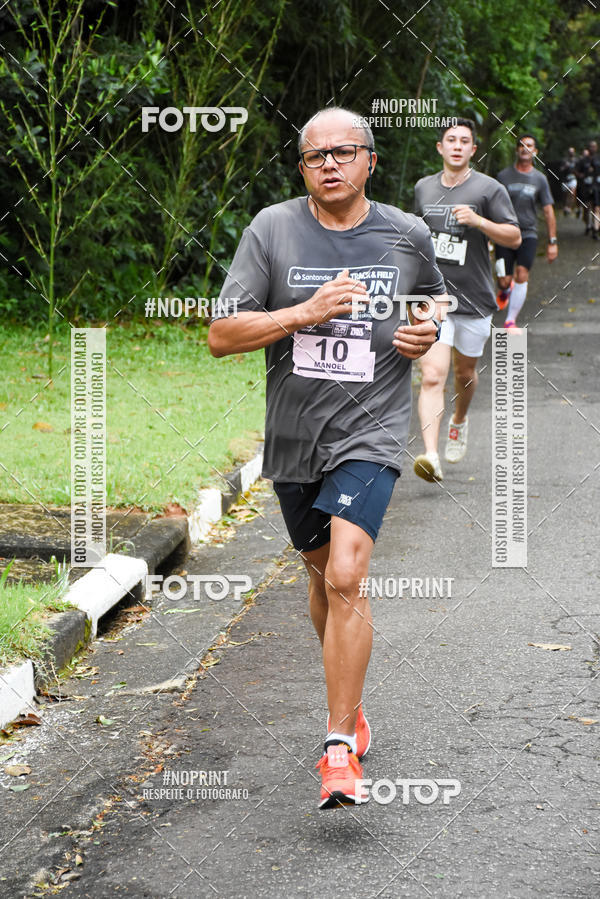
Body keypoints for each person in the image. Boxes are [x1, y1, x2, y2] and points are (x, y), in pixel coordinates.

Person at [208, 107, 446, 809]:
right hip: (295, 435)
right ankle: (353, 702)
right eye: (317, 156)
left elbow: (433, 300)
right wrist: (304, 313)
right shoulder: (272, 229)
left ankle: (338, 748)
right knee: (322, 578)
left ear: (371, 160)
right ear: (302, 167)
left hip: (371, 429)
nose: (331, 164)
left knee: (346, 572)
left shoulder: (405, 232)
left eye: (345, 152)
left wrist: (426, 330)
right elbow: (222, 335)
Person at [412, 118, 521, 483]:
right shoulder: (424, 187)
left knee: (464, 374)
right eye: (451, 140)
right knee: (432, 375)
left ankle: (459, 420)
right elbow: (415, 236)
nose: (457, 146)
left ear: (473, 149)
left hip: (474, 297)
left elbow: (514, 237)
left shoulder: (489, 189)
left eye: (464, 141)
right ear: (440, 147)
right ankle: (431, 455)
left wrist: (479, 221)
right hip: (433, 298)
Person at [495, 134, 558, 327]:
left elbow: (548, 211)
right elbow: (493, 205)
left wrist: (552, 242)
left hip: (528, 234)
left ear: (535, 151)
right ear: (517, 150)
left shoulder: (540, 179)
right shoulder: (503, 176)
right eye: (521, 145)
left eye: (529, 145)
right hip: (504, 233)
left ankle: (510, 320)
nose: (525, 148)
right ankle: (506, 289)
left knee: (522, 273)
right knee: (503, 280)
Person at [559, 147, 578, 215]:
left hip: (573, 179)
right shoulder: (564, 160)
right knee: (565, 195)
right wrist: (565, 167)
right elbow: (560, 169)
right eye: (570, 152)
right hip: (565, 180)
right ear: (568, 153)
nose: (571, 153)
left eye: (572, 152)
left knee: (572, 193)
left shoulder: (576, 161)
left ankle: (569, 207)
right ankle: (565, 206)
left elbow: (579, 169)